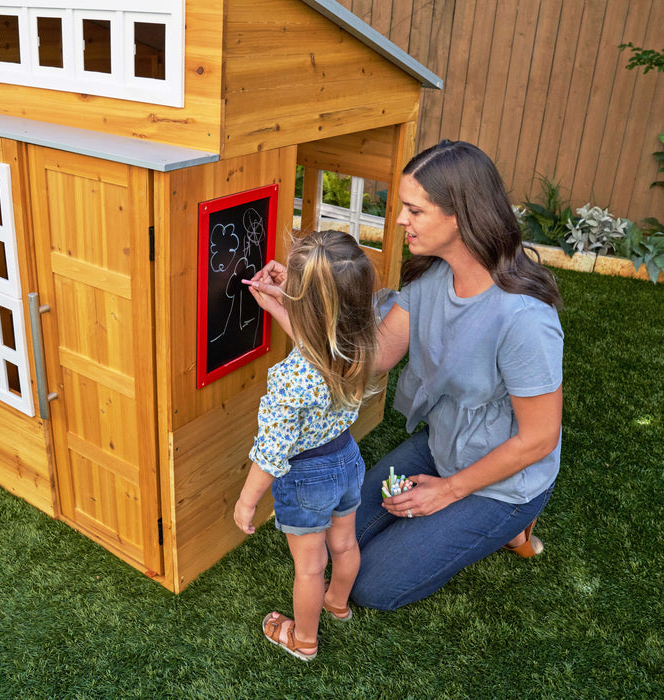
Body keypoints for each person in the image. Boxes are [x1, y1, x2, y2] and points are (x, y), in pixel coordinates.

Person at [247, 140, 564, 613]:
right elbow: (367, 361)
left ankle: (514, 520)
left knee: (371, 585)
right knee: (343, 536)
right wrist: (293, 304)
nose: (399, 220)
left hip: (506, 476)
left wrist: (448, 492)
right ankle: (486, 521)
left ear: (460, 216)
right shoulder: (431, 281)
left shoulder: (524, 320)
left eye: (414, 210)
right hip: (442, 447)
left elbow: (539, 439)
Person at [234, 230, 377, 660]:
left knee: (310, 566)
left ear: (304, 305)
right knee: (345, 545)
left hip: (308, 478)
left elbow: (271, 453)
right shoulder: (360, 345)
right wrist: (281, 305)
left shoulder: (288, 382)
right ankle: (337, 603)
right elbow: (318, 340)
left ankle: (304, 639)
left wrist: (246, 502)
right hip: (348, 460)